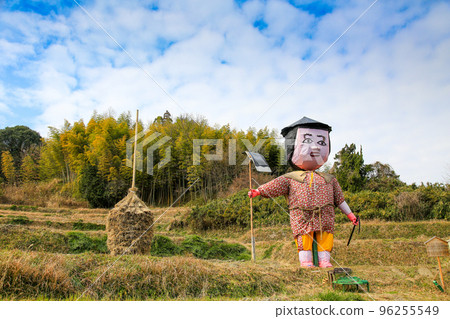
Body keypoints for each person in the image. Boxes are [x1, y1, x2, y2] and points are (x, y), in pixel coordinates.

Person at [248, 117, 358, 268]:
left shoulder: (329, 179)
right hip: (302, 216)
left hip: (325, 216)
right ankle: (306, 261)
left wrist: (350, 215)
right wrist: (259, 191)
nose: (316, 148)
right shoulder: (291, 178)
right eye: (307, 141)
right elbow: (275, 186)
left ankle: (324, 260)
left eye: (321, 142)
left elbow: (339, 199)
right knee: (304, 237)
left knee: (325, 236)